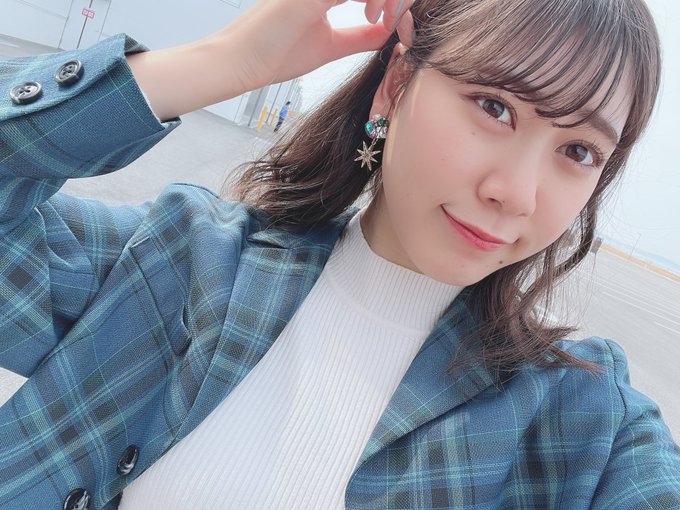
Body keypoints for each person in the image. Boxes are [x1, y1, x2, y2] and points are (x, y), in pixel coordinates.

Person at [0, 0, 678, 508]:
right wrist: (229, 61)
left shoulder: (584, 422)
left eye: (578, 150)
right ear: (396, 85)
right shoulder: (187, 261)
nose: (517, 194)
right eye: (494, 107)